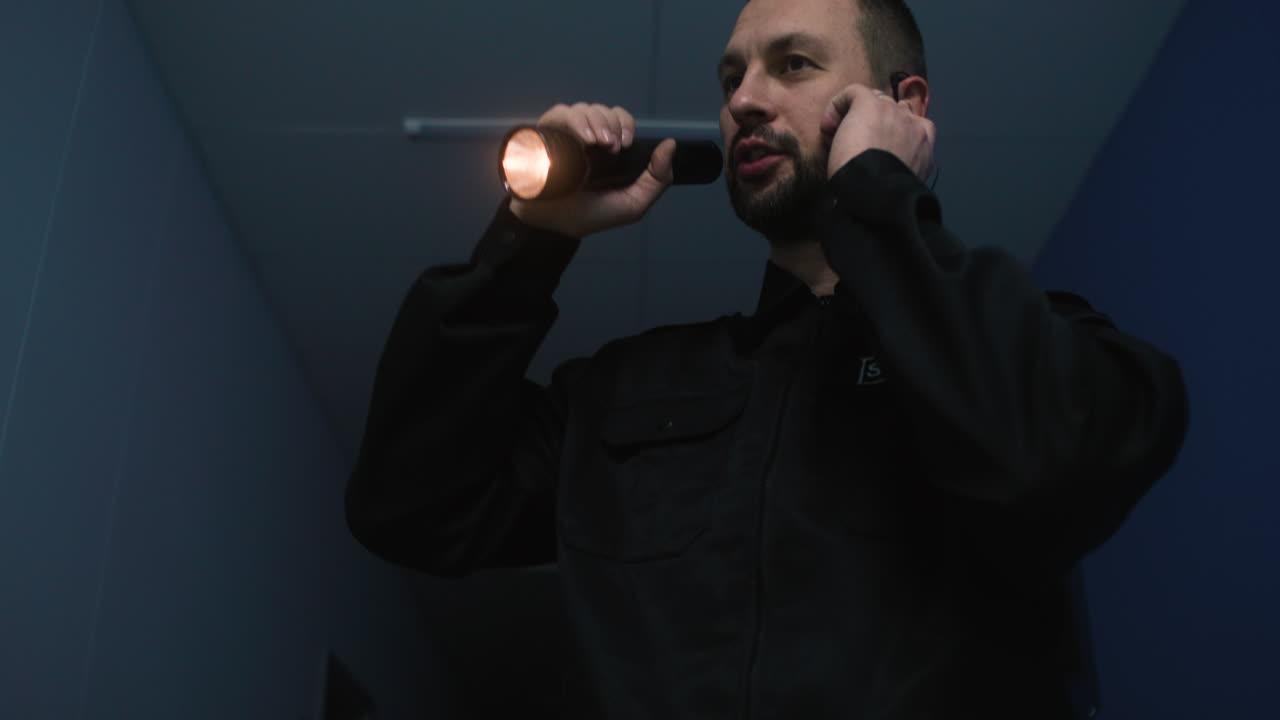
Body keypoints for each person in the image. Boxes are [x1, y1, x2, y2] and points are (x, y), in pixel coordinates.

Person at [345, 0, 1189, 717]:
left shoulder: (1034, 346)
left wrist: (881, 197)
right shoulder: (630, 388)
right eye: (730, 80)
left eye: (791, 66)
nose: (744, 100)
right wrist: (530, 245)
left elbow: (1054, 464)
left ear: (903, 105)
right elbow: (412, 507)